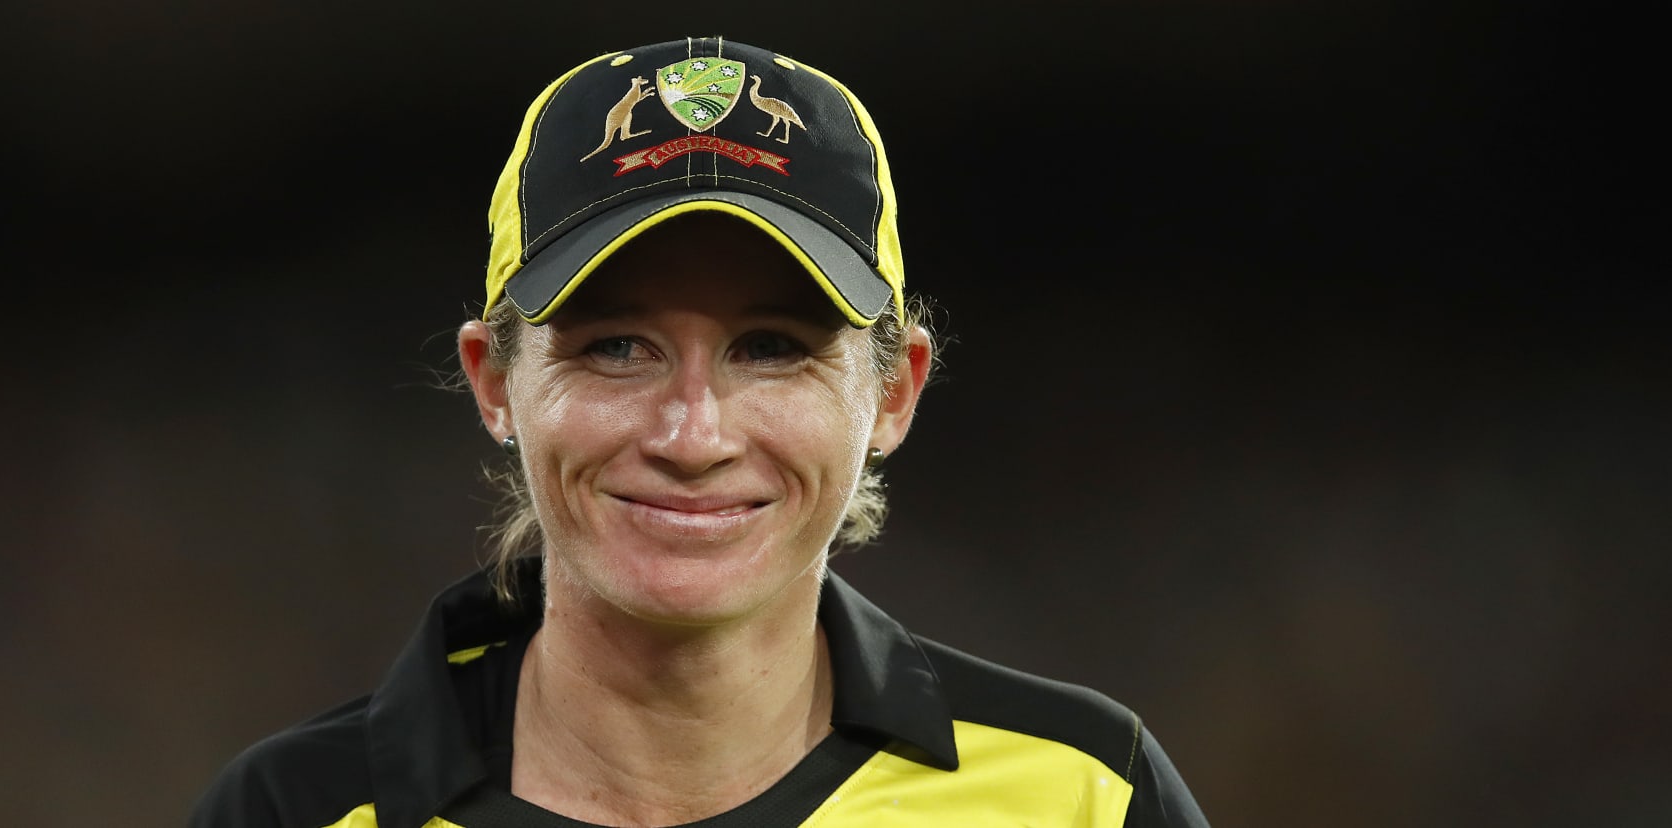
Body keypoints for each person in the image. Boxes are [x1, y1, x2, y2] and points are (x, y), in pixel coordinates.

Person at [190, 36, 1209, 828]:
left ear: (894, 394)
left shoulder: (1082, 799)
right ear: (495, 383)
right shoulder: (294, 811)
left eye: (770, 347)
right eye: (616, 347)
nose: (691, 432)